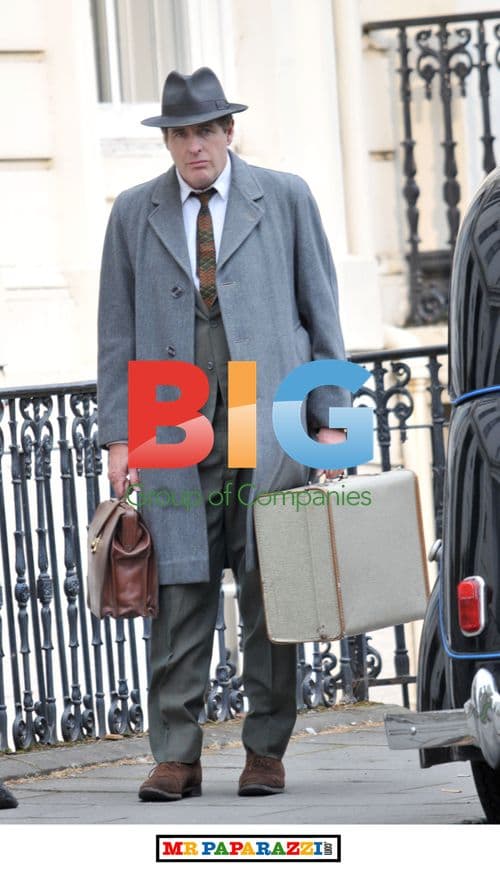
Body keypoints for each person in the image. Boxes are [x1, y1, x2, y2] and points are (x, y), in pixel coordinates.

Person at [97, 67, 349, 802]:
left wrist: (333, 423)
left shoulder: (288, 197)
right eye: (181, 133)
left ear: (229, 131)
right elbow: (117, 332)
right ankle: (175, 753)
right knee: (179, 587)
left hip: (263, 413)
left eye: (206, 129)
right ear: (169, 141)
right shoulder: (131, 212)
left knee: (272, 585)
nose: (194, 145)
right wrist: (118, 436)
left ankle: (265, 750)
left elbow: (322, 314)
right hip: (170, 414)